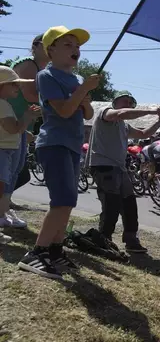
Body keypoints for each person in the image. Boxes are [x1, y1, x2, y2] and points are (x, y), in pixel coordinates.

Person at [18, 26, 99, 279]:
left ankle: (55, 250)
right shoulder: (46, 75)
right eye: (68, 45)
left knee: (69, 201)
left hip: (72, 146)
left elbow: (88, 114)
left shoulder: (75, 80)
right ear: (50, 49)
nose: (75, 49)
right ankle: (37, 253)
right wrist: (83, 90)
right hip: (54, 144)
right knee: (62, 200)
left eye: (77, 46)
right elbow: (63, 111)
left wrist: (83, 94)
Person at [87, 90, 160, 253]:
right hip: (103, 165)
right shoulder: (105, 113)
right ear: (115, 103)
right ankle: (103, 239)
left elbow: (144, 134)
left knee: (129, 204)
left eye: (131, 102)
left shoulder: (124, 126)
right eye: (124, 101)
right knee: (111, 203)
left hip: (119, 167)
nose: (128, 104)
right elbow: (122, 113)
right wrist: (152, 110)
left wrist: (159, 120)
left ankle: (131, 240)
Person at [5, 34, 49, 217]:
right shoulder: (29, 64)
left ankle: (4, 207)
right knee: (11, 169)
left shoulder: (43, 68)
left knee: (16, 170)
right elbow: (31, 95)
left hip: (21, 124)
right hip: (9, 124)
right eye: (48, 44)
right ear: (36, 46)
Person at [0, 67, 41, 242]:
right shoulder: (2, 104)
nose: (17, 88)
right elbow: (13, 128)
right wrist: (27, 116)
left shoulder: (4, 104)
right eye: (14, 84)